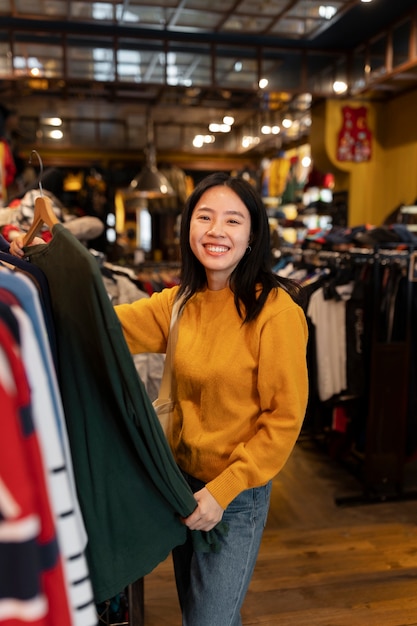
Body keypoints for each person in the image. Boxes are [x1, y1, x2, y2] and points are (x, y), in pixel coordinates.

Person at [10, 171, 309, 626]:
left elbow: (283, 420)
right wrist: (36, 273)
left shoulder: (277, 314)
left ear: (252, 235)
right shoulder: (180, 302)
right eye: (205, 217)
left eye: (232, 221)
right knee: (201, 612)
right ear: (188, 227)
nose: (216, 231)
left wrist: (223, 491)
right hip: (181, 484)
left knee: (210, 617)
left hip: (235, 494)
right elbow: (100, 320)